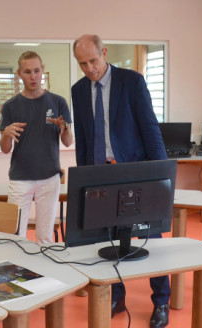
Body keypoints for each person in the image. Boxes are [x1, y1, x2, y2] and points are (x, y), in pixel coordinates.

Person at [71, 34, 169, 328]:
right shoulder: (78, 90)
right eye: (82, 63)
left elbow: (149, 128)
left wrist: (161, 174)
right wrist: (83, 177)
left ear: (105, 52)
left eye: (93, 61)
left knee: (151, 236)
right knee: (106, 237)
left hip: (132, 170)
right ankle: (117, 295)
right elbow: (84, 139)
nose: (90, 68)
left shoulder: (131, 82)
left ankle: (161, 301)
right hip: (99, 174)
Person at [0, 51, 73, 244]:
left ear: (43, 71)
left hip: (49, 177)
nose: (33, 76)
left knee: (45, 236)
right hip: (20, 178)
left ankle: (44, 274)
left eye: (36, 71)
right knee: (15, 236)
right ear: (19, 74)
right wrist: (6, 134)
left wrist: (63, 128)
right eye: (27, 72)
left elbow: (68, 141)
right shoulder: (10, 106)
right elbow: (5, 149)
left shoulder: (58, 102)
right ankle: (16, 272)